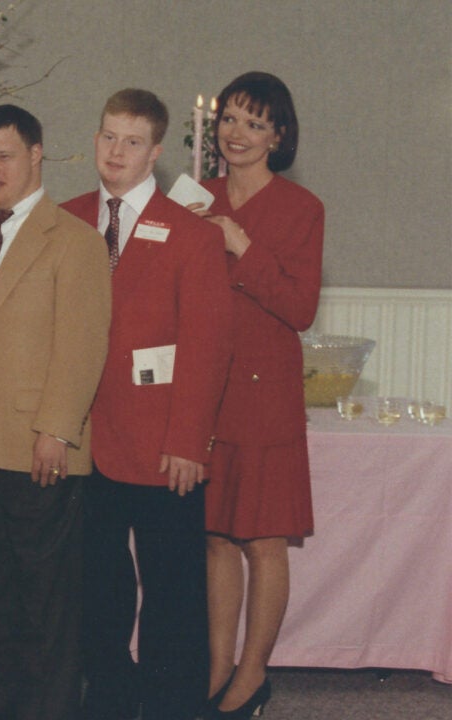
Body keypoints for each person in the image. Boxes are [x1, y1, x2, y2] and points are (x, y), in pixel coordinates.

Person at [60, 89, 231, 720]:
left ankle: (171, 705)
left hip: (165, 446)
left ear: (156, 151)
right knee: (97, 587)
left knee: (173, 590)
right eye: (108, 136)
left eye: (132, 142)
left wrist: (189, 440)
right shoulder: (67, 218)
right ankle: (107, 696)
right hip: (84, 441)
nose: (116, 151)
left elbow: (208, 347)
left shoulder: (191, 234)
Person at [0, 105, 110, 720]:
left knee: (49, 601)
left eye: (5, 156)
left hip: (40, 444)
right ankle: (1, 707)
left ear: (37, 154)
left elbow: (82, 343)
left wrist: (57, 430)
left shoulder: (74, 239)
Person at [190, 72, 323, 720]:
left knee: (263, 541)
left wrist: (241, 247)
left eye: (253, 123)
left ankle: (253, 673)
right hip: (205, 393)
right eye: (230, 120)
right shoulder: (195, 198)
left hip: (265, 392)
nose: (236, 133)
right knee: (215, 536)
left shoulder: (302, 210)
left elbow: (300, 308)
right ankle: (217, 666)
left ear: (279, 136)